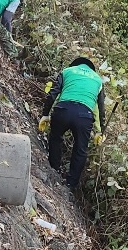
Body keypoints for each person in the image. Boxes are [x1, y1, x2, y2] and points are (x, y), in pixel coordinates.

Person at [39, 57, 106, 191]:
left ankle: (54, 169)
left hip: (63, 110)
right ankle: (71, 184)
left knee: (56, 138)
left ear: (75, 65)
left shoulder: (67, 71)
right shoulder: (98, 80)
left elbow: (53, 93)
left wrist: (45, 114)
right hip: (84, 115)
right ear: (91, 68)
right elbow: (100, 109)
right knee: (80, 150)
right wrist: (101, 130)